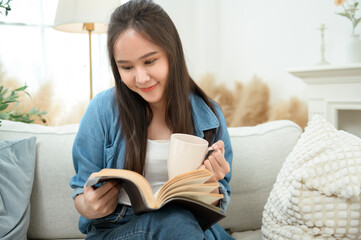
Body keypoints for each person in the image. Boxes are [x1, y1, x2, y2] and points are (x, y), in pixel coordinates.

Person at [70, 0, 233, 239]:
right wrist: (89, 205)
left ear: (171, 53)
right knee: (177, 223)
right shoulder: (102, 110)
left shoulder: (209, 115)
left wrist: (212, 184)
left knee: (181, 222)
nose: (141, 78)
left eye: (149, 61)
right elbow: (81, 189)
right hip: (118, 228)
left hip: (189, 226)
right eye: (126, 67)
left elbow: (219, 203)